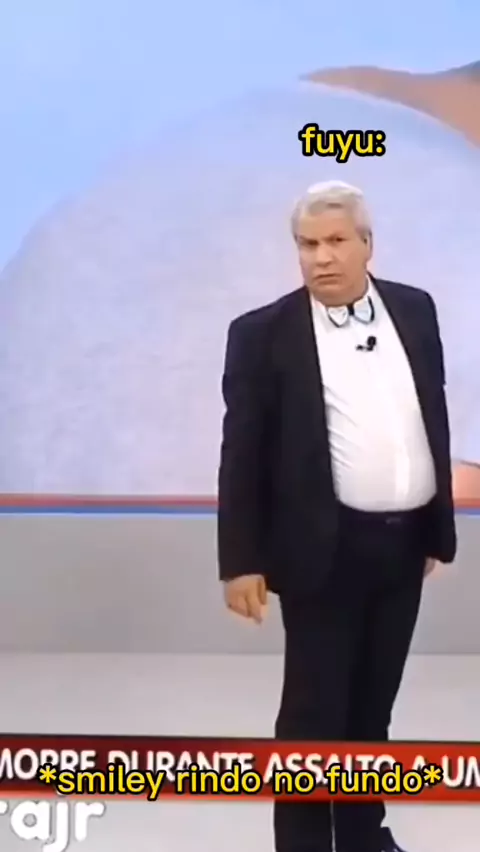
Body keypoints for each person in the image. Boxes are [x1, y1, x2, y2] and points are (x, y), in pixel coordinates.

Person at [216, 180, 457, 852]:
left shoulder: (415, 309)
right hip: (322, 551)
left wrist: (432, 522)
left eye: (335, 241)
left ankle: (362, 836)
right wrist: (240, 561)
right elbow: (241, 455)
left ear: (366, 244)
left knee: (372, 709)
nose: (321, 257)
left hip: (404, 546)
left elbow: (428, 416)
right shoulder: (262, 334)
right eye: (307, 244)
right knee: (312, 717)